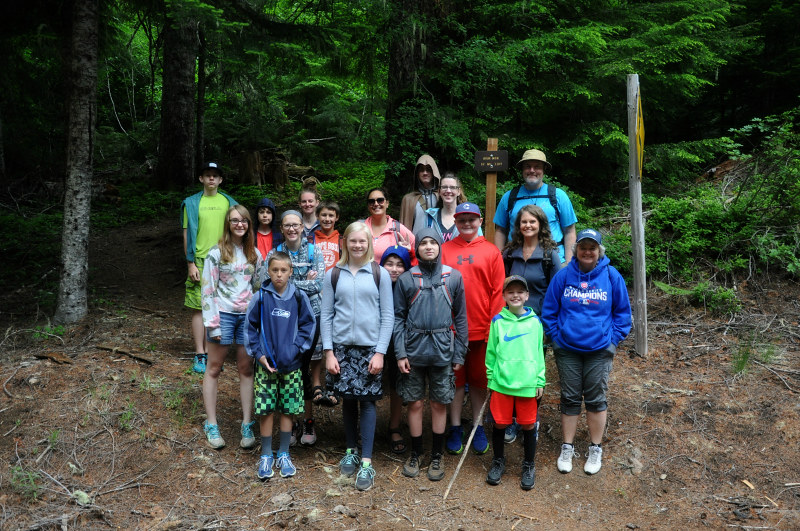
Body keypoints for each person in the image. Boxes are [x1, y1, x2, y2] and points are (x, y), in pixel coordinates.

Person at [541, 228, 632, 475]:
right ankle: (567, 447)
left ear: (599, 251)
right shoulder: (562, 276)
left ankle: (595, 448)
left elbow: (623, 314)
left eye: (592, 248)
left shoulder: (611, 276)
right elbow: (548, 311)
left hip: (600, 349)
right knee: (570, 398)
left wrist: (612, 341)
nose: (587, 252)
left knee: (595, 398)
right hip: (567, 349)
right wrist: (557, 339)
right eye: (583, 247)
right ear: (576, 250)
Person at [322, 222, 394, 491]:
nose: (357, 246)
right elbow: (326, 316)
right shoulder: (334, 274)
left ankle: (366, 461)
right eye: (352, 241)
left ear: (369, 243)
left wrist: (380, 352)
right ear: (345, 243)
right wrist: (328, 352)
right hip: (341, 349)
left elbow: (388, 316)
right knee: (348, 401)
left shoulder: (379, 274)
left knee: (368, 403)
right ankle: (350, 450)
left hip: (369, 350)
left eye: (362, 241)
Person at [394, 228, 468, 481]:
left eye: (432, 242)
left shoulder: (453, 277)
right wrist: (400, 352)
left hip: (442, 349)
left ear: (439, 246)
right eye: (423, 242)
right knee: (414, 402)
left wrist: (459, 353)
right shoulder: (406, 279)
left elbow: (460, 318)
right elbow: (397, 318)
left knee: (439, 402)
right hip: (413, 349)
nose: (428, 247)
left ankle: (436, 455)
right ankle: (416, 453)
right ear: (416, 248)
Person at [440, 202, 505, 455]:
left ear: (480, 222)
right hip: (451, 330)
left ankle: (477, 425)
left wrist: (493, 329)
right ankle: (455, 426)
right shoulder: (444, 250)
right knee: (455, 381)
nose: (467, 224)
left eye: (472, 219)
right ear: (455, 222)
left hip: (481, 330)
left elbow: (498, 292)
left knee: (478, 382)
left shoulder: (491, 252)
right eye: (462, 219)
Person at [245, 252, 316, 480]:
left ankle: (284, 453)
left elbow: (308, 325)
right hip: (265, 366)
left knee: (288, 409)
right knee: (266, 409)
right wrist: (259, 354)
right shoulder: (261, 298)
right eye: (274, 270)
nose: (278, 274)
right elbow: (249, 329)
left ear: (290, 272)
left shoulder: (298, 297)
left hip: (292, 366)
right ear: (269, 270)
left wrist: (296, 349)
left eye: (283, 270)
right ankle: (266, 454)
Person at [200, 205, 262, 450]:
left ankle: (247, 423)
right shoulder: (216, 253)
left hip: (246, 318)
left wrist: (258, 322)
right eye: (234, 220)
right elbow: (207, 290)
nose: (239, 224)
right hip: (223, 316)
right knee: (214, 368)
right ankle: (212, 423)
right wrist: (212, 324)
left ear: (249, 224)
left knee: (246, 369)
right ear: (228, 224)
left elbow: (258, 289)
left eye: (244, 220)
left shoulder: (254, 254)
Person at [501, 204, 562, 443]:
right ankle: (513, 419)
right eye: (523, 222)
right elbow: (501, 285)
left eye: (532, 222)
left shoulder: (549, 254)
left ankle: (531, 418)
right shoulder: (510, 252)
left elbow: (558, 290)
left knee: (532, 371)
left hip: (537, 323)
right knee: (512, 368)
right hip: (511, 321)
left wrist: (550, 324)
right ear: (518, 226)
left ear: (540, 225)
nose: (527, 225)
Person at [267, 211, 326, 446]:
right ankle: (290, 423)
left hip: (311, 316)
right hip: (283, 318)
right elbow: (269, 282)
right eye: (287, 225)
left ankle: (309, 421)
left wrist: (289, 283)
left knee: (305, 370)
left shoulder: (314, 251)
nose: (292, 229)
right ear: (281, 228)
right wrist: (304, 282)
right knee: (288, 369)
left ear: (303, 227)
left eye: (296, 225)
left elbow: (319, 282)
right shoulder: (275, 253)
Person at [484, 275, 545, 490]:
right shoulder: (498, 321)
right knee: (500, 423)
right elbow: (491, 352)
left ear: (527, 296)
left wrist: (540, 380)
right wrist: (491, 377)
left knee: (528, 424)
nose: (516, 295)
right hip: (502, 383)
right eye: (511, 292)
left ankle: (529, 464)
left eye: (520, 291)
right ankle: (498, 460)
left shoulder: (535, 322)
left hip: (528, 383)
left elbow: (539, 353)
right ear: (504, 296)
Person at [181, 162, 238, 374]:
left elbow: (238, 230)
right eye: (207, 175)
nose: (211, 179)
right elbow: (187, 233)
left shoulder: (229, 203)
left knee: (220, 306)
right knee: (198, 306)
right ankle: (199, 353)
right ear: (201, 179)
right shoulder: (192, 203)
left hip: (224, 260)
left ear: (221, 180)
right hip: (200, 260)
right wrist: (190, 263)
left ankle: (214, 353)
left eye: (215, 176)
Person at [493, 149, 578, 264]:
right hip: (516, 261)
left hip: (554, 262)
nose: (532, 170)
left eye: (537, 166)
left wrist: (569, 263)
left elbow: (569, 231)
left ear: (544, 170)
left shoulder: (558, 196)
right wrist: (499, 261)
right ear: (522, 170)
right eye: (527, 166)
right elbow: (500, 230)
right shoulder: (509, 197)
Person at [379, 245, 413, 455]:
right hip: (376, 340)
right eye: (389, 264)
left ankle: (394, 425)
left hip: (401, 341)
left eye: (400, 265)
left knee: (397, 382)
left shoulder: (410, 287)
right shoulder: (374, 284)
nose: (394, 269)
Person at [413, 172, 482, 243]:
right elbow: (416, 243)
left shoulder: (469, 217)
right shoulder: (428, 217)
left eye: (452, 187)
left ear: (458, 191)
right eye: (444, 187)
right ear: (439, 191)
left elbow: (478, 244)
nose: (448, 191)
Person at [364, 187, 416, 264]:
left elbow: (415, 247)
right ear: (368, 206)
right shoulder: (361, 227)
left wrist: (408, 251)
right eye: (371, 201)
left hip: (390, 275)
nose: (376, 204)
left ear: (387, 203)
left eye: (380, 200)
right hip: (364, 274)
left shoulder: (397, 228)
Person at [399, 154, 441, 229]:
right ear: (417, 174)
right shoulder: (408, 199)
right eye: (421, 170)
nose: (425, 173)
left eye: (428, 169)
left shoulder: (442, 196)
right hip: (416, 240)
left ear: (434, 172)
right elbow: (403, 228)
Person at [314, 201, 341, 273]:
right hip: (316, 281)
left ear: (337, 217)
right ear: (317, 216)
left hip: (336, 280)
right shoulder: (310, 240)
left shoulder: (342, 241)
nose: (327, 219)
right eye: (324, 215)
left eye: (331, 215)